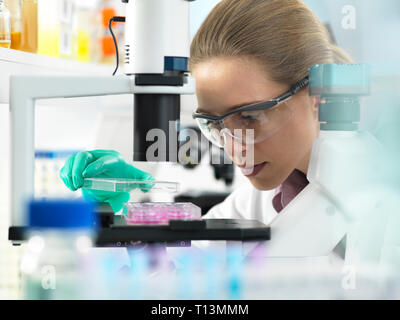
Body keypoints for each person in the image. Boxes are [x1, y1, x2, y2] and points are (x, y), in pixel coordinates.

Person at [60, 0, 352, 243]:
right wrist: (106, 213)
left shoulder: (379, 195)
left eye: (250, 116)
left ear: (317, 92)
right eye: (215, 124)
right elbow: (175, 271)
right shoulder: (253, 204)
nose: (236, 149)